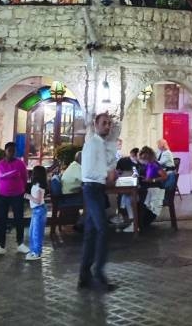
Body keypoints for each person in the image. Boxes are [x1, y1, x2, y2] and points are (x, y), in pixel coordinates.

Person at [79, 112, 118, 292]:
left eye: (109, 124)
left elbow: (105, 165)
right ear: (96, 124)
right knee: (103, 229)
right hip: (92, 189)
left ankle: (84, 276)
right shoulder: (91, 144)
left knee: (91, 232)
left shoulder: (102, 145)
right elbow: (87, 171)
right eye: (104, 123)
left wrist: (110, 171)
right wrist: (106, 174)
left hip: (98, 190)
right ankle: (98, 273)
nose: (107, 126)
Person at [0, 142, 29, 256]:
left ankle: (20, 244)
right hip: (3, 195)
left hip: (17, 195)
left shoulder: (20, 164)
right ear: (5, 151)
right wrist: (4, 189)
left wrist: (20, 189)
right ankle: (1, 246)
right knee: (2, 219)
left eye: (14, 151)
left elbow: (24, 178)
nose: (12, 153)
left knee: (19, 219)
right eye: (9, 151)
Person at [25, 165, 48, 261]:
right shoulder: (37, 184)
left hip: (39, 210)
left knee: (36, 232)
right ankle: (33, 250)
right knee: (32, 231)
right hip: (37, 210)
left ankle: (37, 252)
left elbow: (38, 200)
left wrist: (28, 196)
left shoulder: (38, 186)